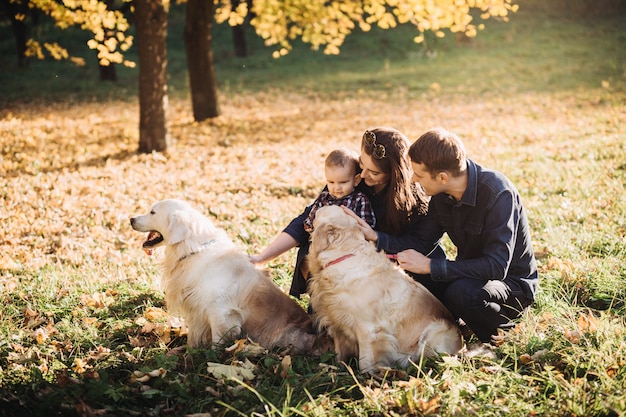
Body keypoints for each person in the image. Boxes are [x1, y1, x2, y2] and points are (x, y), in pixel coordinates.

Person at [252, 128, 444, 299]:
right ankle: (326, 305)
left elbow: (418, 245)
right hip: (356, 261)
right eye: (362, 164)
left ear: (394, 175)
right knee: (311, 246)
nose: (363, 174)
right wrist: (263, 258)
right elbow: (305, 220)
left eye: (374, 173)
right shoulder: (348, 181)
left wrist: (375, 236)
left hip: (399, 266)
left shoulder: (416, 200)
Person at [395, 127, 539, 344]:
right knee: (419, 275)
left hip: (511, 286)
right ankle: (450, 326)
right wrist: (373, 237)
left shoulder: (498, 193)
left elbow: (497, 267)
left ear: (442, 177)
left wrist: (431, 266)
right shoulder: (443, 196)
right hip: (471, 277)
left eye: (419, 174)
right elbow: (420, 242)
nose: (413, 179)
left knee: (461, 292)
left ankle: (499, 336)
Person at [250, 147, 376, 282]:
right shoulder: (325, 198)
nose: (336, 187)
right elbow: (309, 222)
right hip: (324, 251)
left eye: (343, 182)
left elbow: (366, 228)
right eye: (331, 182)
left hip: (349, 254)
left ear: (356, 180)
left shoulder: (360, 200)